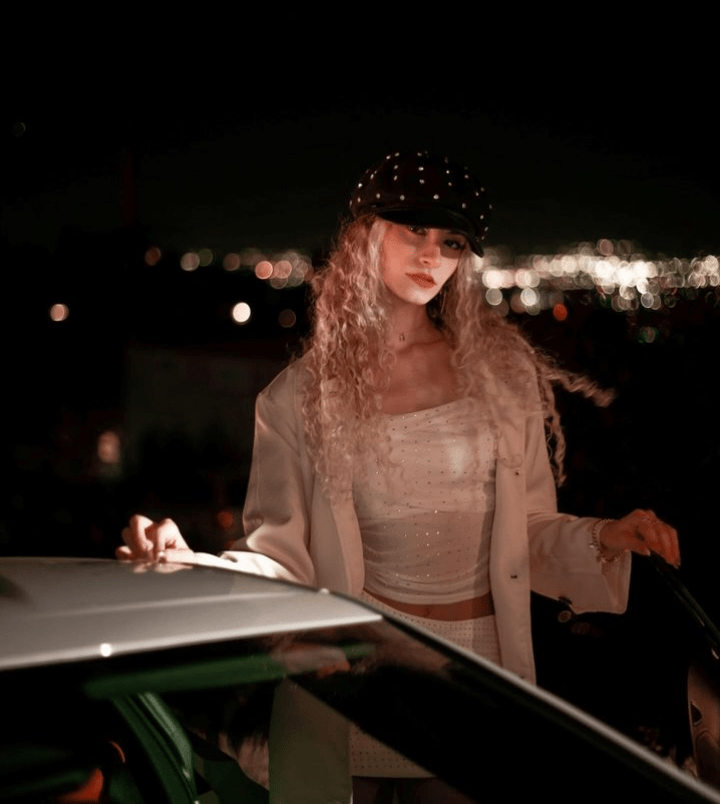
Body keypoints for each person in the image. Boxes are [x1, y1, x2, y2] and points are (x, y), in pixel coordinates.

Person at [118, 151, 680, 803]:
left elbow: (526, 532)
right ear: (365, 236)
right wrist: (190, 562)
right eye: (414, 229)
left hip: (474, 678)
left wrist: (605, 537)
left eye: (452, 242)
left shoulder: (501, 377)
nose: (431, 255)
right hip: (357, 682)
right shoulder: (298, 397)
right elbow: (282, 558)